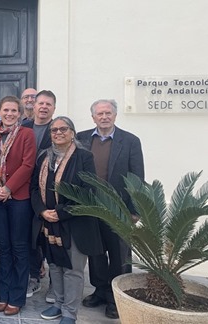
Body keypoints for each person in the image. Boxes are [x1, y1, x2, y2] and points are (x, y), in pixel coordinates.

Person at [31, 116, 103, 324]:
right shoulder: (44, 157)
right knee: (55, 265)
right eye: (54, 130)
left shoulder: (84, 157)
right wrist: (43, 211)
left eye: (63, 129)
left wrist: (61, 212)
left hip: (74, 223)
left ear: (72, 132)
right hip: (48, 222)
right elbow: (34, 188)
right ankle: (58, 304)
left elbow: (88, 191)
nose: (58, 133)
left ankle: (70, 313)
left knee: (72, 269)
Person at [77, 99, 144, 319]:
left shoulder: (131, 141)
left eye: (108, 113)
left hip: (119, 209)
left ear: (115, 116)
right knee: (95, 252)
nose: (104, 117)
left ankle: (116, 297)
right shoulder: (82, 138)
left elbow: (137, 177)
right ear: (93, 117)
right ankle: (99, 290)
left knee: (119, 255)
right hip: (91, 206)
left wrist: (134, 210)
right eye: (100, 114)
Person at [0, 96, 36, 316]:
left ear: (20, 113)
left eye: (14, 110)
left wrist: (8, 189)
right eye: (6, 110)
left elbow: (28, 165)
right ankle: (3, 294)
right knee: (4, 248)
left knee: (19, 247)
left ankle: (17, 296)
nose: (9, 114)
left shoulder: (27, 134)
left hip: (19, 199)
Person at [22, 90, 57, 300]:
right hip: (25, 192)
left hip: (49, 193)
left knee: (51, 240)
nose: (43, 107)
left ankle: (55, 283)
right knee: (30, 238)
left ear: (54, 108)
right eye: (40, 103)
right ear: (33, 106)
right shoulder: (23, 127)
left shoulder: (60, 128)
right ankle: (33, 277)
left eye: (48, 104)